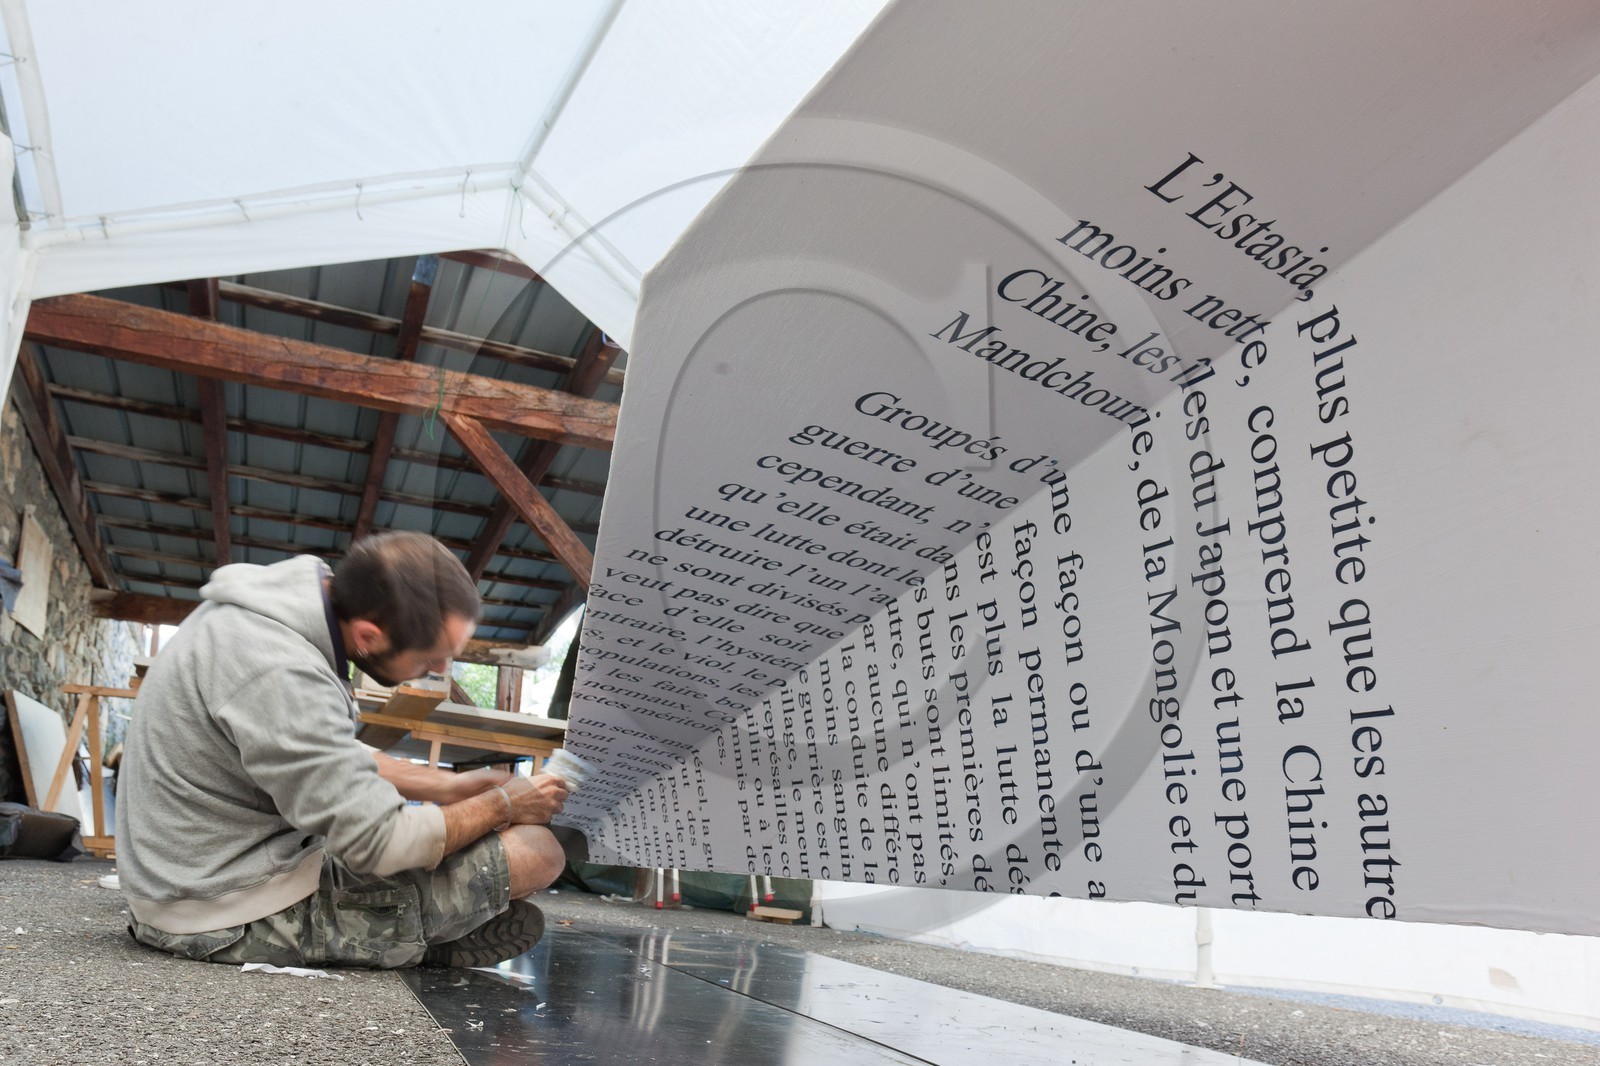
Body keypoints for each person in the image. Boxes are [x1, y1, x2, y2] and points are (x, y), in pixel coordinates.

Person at [116, 531, 569, 968]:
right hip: (216, 911)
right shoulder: (280, 670)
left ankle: (418, 929)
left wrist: (451, 785)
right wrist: (502, 805)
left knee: (483, 855)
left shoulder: (280, 612)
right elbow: (382, 842)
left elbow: (333, 757)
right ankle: (407, 941)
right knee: (535, 852)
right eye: (431, 656)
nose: (440, 669)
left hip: (198, 875)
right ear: (370, 636)